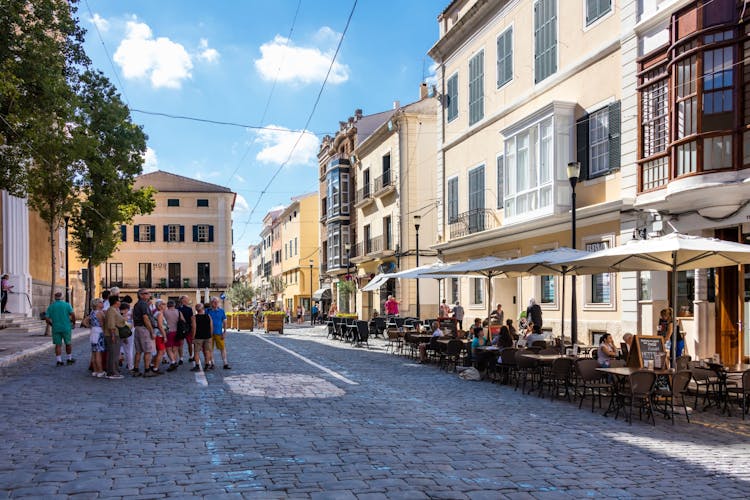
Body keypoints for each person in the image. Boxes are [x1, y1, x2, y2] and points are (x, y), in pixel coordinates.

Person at [45, 291, 76, 366]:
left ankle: (59, 360)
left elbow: (46, 318)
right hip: (66, 327)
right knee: (68, 343)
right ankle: (69, 359)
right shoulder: (67, 305)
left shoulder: (51, 306)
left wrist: (51, 324)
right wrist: (73, 322)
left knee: (58, 345)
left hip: (56, 328)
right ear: (62, 297)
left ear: (55, 298)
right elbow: (73, 314)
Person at [132, 289, 156, 377]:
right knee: (147, 350)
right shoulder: (143, 304)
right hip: (144, 328)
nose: (149, 294)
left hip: (138, 328)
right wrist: (151, 331)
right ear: (141, 295)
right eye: (146, 293)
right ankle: (147, 370)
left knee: (138, 351)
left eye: (149, 293)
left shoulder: (137, 304)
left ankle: (136, 369)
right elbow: (145, 318)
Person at [104, 295, 125, 379]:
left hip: (115, 334)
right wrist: (112, 335)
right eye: (119, 301)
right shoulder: (111, 311)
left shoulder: (114, 310)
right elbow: (111, 324)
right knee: (114, 354)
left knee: (112, 354)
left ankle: (111, 371)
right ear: (116, 302)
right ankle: (113, 372)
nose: (120, 302)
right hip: (113, 334)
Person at [207, 297, 230, 369]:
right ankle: (212, 363)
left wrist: (225, 331)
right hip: (209, 333)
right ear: (211, 303)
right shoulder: (207, 311)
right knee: (210, 349)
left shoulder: (221, 311)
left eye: (217, 302)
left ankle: (225, 363)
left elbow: (225, 321)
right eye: (214, 302)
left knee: (222, 348)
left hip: (219, 332)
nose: (216, 303)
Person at [163, 300, 185, 372]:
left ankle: (173, 362)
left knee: (168, 348)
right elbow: (183, 321)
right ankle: (174, 361)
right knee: (175, 348)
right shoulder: (178, 312)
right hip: (177, 332)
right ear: (174, 305)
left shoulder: (165, 312)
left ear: (167, 305)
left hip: (168, 332)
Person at [191, 302, 214, 371]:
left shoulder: (194, 317)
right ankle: (207, 364)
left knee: (196, 351)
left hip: (198, 337)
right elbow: (211, 326)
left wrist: (193, 337)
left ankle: (197, 365)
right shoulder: (208, 316)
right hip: (207, 336)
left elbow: (194, 328)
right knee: (207, 351)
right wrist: (210, 334)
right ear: (203, 309)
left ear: (196, 309)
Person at [88, 298, 106, 377]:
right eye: (101, 302)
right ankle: (100, 370)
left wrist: (91, 326)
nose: (102, 303)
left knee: (94, 352)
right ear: (97, 304)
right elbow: (103, 324)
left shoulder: (92, 312)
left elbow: (85, 321)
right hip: (99, 332)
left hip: (93, 331)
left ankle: (95, 370)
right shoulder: (100, 313)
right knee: (98, 353)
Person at [151, 299, 168, 375]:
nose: (165, 305)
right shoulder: (159, 314)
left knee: (160, 351)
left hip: (157, 333)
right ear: (159, 306)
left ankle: (152, 364)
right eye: (163, 304)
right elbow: (160, 326)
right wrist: (164, 336)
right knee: (160, 351)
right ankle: (155, 368)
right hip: (159, 334)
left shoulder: (157, 313)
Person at [178, 295, 194, 366]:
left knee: (180, 344)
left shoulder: (177, 309)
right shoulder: (189, 309)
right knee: (189, 343)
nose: (188, 301)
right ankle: (191, 356)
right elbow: (192, 319)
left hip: (180, 328)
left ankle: (181, 358)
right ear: (183, 300)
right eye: (187, 299)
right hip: (188, 328)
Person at [119, 302, 135, 373]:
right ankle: (130, 366)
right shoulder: (128, 314)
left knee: (118, 350)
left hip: (119, 334)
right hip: (128, 334)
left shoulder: (118, 314)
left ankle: (117, 364)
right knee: (129, 351)